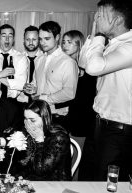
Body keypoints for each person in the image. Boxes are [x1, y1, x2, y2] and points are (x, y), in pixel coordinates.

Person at [79, 0, 132, 181]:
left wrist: (100, 35)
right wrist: (96, 35)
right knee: (88, 177)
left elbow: (94, 67)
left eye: (101, 15)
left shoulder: (129, 45)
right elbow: (83, 63)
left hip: (119, 130)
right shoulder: (111, 43)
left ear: (117, 20)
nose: (96, 18)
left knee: (107, 182)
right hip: (100, 123)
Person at [26, 21, 78, 129]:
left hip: (57, 117)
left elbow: (69, 93)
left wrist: (43, 97)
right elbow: (35, 83)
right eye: (40, 39)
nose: (42, 42)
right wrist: (30, 88)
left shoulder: (67, 62)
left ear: (57, 37)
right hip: (37, 115)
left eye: (47, 38)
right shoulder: (39, 60)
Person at [61, 30, 97, 180]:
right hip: (67, 120)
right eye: (63, 42)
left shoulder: (87, 68)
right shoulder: (66, 65)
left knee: (76, 160)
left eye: (69, 42)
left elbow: (85, 98)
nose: (65, 45)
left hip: (82, 121)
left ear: (79, 43)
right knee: (65, 161)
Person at [18, 100, 71, 181]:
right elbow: (23, 163)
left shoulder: (59, 137)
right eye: (25, 119)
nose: (27, 124)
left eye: (32, 120)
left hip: (54, 183)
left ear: (44, 118)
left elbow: (41, 171)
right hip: (30, 180)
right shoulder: (27, 132)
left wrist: (39, 140)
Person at [18, 25, 43, 103]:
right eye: (28, 39)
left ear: (39, 40)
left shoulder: (46, 59)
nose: (31, 43)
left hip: (41, 101)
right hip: (20, 101)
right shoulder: (17, 59)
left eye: (34, 39)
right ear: (24, 41)